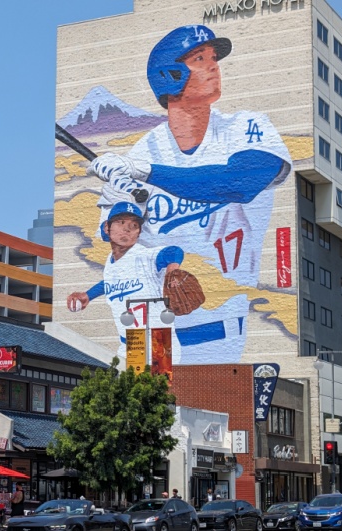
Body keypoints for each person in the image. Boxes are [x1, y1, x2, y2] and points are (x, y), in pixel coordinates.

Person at [86, 24, 292, 365]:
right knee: (151, 417)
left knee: (211, 415)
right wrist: (120, 193)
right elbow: (117, 246)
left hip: (219, 332)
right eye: (199, 58)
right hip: (149, 332)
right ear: (170, 74)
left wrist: (146, 173)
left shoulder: (246, 127)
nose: (213, 66)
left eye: (213, 58)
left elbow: (237, 183)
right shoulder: (140, 153)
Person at [67, 201, 185, 358]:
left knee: (159, 383)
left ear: (139, 233)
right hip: (130, 342)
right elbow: (109, 282)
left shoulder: (144, 256)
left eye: (134, 225)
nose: (127, 228)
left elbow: (173, 252)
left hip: (159, 340)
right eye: (121, 222)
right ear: (107, 228)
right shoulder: (111, 261)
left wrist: (172, 270)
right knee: (124, 382)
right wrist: (88, 295)